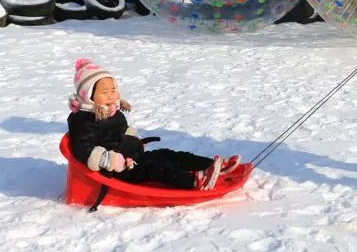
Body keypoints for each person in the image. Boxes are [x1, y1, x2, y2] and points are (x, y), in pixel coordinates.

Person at [67, 59, 241, 190]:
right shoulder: (84, 119)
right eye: (104, 92)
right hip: (117, 170)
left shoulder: (113, 111)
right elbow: (83, 148)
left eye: (113, 90)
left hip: (131, 159)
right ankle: (195, 182)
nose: (111, 96)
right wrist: (111, 160)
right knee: (156, 168)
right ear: (87, 95)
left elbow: (120, 134)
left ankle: (210, 165)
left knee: (166, 154)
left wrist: (135, 143)